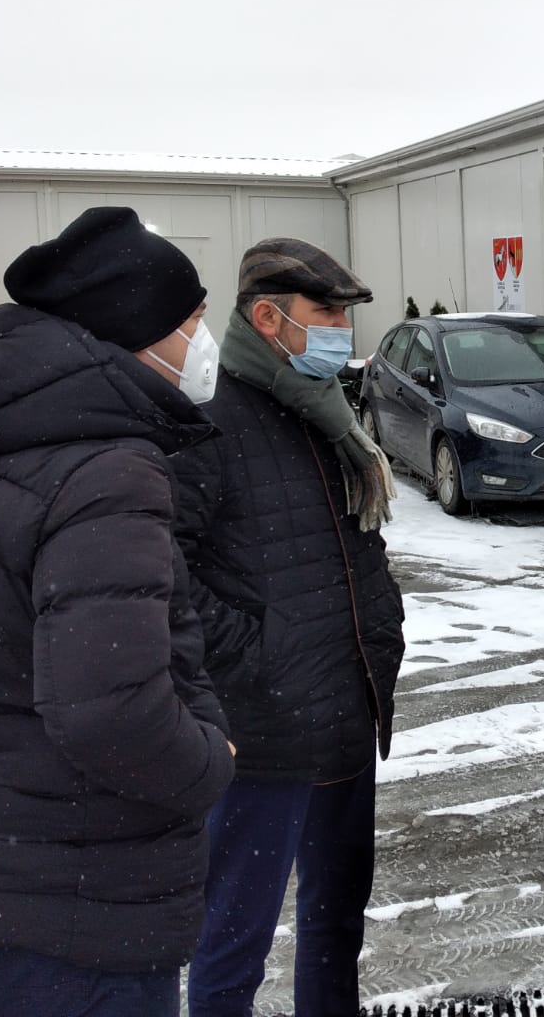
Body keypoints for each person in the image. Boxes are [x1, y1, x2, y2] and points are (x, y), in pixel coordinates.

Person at [0, 206, 236, 1016]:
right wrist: (208, 762)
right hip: (78, 910)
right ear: (137, 331)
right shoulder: (105, 469)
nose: (203, 340)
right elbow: (111, 713)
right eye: (192, 320)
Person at [173, 238, 404, 1017]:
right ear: (268, 319)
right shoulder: (207, 420)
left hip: (345, 711)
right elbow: (165, 576)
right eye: (326, 312)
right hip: (263, 731)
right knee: (234, 935)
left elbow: (358, 548)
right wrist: (258, 658)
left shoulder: (325, 411)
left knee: (337, 922)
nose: (342, 328)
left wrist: (382, 627)